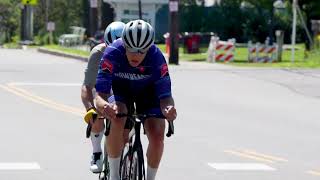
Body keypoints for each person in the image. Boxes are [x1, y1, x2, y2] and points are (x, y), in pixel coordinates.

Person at [95, 20, 177, 180]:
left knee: (157, 134)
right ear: (123, 44)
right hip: (121, 91)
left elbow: (166, 97)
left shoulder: (156, 57)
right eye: (131, 49)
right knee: (118, 115)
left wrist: (169, 109)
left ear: (149, 48)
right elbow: (100, 95)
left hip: (149, 92)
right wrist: (105, 106)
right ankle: (114, 175)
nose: (135, 55)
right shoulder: (112, 52)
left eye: (141, 51)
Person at [81, 21, 125, 173]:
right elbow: (87, 86)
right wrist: (89, 109)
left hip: (121, 89)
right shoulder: (98, 53)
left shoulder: (132, 51)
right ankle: (97, 152)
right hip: (102, 89)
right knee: (97, 114)